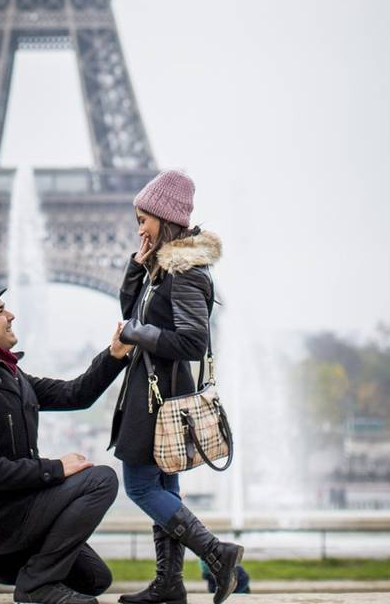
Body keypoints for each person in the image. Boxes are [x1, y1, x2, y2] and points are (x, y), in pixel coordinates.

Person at [0, 279, 133, 604]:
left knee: (96, 579)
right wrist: (56, 469)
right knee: (101, 480)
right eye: (0, 312)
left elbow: (77, 393)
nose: (11, 315)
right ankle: (36, 586)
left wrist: (114, 355)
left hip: (23, 505)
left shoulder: (13, 377)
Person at [110, 169, 244, 604]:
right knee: (164, 489)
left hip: (159, 395)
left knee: (141, 487)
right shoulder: (162, 268)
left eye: (144, 219)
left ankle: (216, 553)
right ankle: (169, 583)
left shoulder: (185, 271)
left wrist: (135, 335)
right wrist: (137, 265)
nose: (140, 228)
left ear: (164, 218)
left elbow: (192, 340)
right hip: (155, 389)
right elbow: (133, 309)